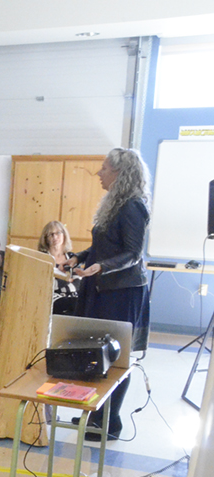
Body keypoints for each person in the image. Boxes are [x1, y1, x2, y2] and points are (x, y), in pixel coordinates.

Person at [67, 148, 152, 441]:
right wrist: (80, 257)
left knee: (116, 356)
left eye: (104, 168)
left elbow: (132, 253)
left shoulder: (132, 206)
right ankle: (95, 412)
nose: (99, 173)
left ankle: (110, 422)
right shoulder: (114, 203)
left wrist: (101, 266)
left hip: (122, 291)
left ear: (119, 172)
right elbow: (104, 246)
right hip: (103, 287)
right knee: (95, 352)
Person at [38, 220, 79, 310]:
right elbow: (44, 285)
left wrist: (60, 282)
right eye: (50, 234)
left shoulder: (72, 257)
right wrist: (68, 280)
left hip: (74, 297)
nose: (55, 237)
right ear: (45, 239)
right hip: (50, 299)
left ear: (64, 235)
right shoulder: (42, 258)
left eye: (58, 233)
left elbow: (79, 282)